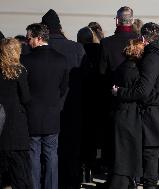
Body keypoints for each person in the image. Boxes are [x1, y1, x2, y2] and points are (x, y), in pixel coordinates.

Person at [113, 22, 159, 189]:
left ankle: (150, 185)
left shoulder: (151, 58)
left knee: (152, 152)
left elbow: (143, 90)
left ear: (143, 38)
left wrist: (120, 92)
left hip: (156, 112)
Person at [41, 9, 86, 189]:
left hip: (45, 109)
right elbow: (85, 79)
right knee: (71, 150)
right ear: (59, 27)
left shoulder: (37, 48)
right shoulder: (76, 48)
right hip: (72, 107)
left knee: (46, 153)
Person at [22, 23, 69, 189]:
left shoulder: (25, 60)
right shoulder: (61, 59)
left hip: (31, 114)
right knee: (51, 155)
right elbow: (64, 88)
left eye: (29, 38)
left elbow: (23, 89)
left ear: (39, 38)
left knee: (33, 154)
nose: (27, 42)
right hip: (52, 114)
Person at [98, 6, 138, 185]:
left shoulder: (107, 43)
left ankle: (115, 174)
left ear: (116, 20)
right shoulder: (139, 41)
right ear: (133, 21)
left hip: (113, 97)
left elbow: (101, 73)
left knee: (114, 140)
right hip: (136, 96)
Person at [108, 39, 145, 189]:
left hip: (121, 113)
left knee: (123, 149)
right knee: (129, 149)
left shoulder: (122, 67)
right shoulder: (135, 70)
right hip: (130, 114)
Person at [0, 38, 32, 189]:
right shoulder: (20, 70)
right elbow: (25, 98)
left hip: (2, 123)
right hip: (17, 125)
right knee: (20, 171)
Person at [77, 26, 104, 183]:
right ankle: (92, 169)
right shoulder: (100, 50)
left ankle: (83, 170)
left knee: (83, 137)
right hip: (97, 99)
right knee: (94, 137)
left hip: (82, 99)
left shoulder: (78, 50)